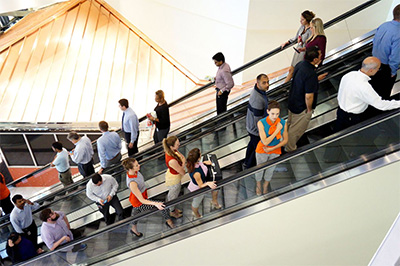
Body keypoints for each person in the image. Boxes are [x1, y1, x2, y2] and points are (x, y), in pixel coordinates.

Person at [336, 56, 400, 132]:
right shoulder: (364, 87)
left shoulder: (349, 75)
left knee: (337, 129)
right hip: (352, 117)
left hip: (340, 110)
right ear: (371, 70)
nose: (378, 71)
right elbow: (381, 105)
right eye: (378, 69)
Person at [122, 158, 174, 237]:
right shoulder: (132, 183)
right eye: (136, 165)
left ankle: (133, 228)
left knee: (136, 212)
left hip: (140, 196)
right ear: (130, 169)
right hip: (139, 201)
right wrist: (156, 203)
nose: (139, 165)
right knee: (163, 207)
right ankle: (169, 222)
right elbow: (142, 200)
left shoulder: (133, 172)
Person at [286, 46, 322, 152]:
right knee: (296, 130)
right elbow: (309, 96)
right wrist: (309, 109)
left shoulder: (300, 64)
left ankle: (284, 142)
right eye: (319, 55)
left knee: (289, 124)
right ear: (315, 59)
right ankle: (290, 149)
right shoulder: (310, 74)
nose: (321, 56)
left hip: (293, 100)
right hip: (301, 107)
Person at [254, 101, 288, 195]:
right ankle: (258, 184)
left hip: (275, 149)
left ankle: (265, 185)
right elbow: (265, 141)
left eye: (277, 114)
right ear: (268, 111)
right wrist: (277, 130)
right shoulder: (261, 123)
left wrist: (271, 149)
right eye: (272, 113)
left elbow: (285, 140)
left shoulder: (282, 122)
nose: (275, 116)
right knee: (260, 168)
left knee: (271, 169)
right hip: (263, 149)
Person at [370, 4, 400, 100]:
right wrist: (393, 72)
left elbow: (374, 41)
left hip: (373, 63)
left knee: (374, 92)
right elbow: (395, 56)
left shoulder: (384, 25)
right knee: (383, 96)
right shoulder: (398, 33)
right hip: (385, 69)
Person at [243, 74, 270, 169]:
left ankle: (246, 163)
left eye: (267, 82)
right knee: (257, 149)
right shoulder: (258, 99)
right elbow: (258, 120)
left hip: (251, 128)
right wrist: (262, 134)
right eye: (264, 83)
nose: (267, 85)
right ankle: (249, 167)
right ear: (257, 84)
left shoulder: (259, 92)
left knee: (252, 145)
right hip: (255, 130)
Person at [282, 10, 316, 83]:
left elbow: (311, 43)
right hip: (298, 51)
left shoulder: (311, 30)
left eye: (302, 19)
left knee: (295, 71)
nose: (300, 21)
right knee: (291, 70)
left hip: (304, 52)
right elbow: (296, 37)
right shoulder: (302, 27)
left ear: (307, 19)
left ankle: (285, 86)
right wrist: (287, 42)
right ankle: (284, 86)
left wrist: (303, 43)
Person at [186, 148, 218, 219]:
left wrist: (204, 163)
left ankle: (214, 201)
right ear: (198, 158)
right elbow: (200, 185)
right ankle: (196, 214)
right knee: (196, 202)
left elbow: (199, 164)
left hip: (200, 182)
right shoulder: (196, 173)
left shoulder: (195, 163)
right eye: (200, 154)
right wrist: (208, 183)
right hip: (198, 189)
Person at [162, 136, 185, 218]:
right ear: (172, 146)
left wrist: (183, 162)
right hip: (174, 181)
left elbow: (182, 158)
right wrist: (183, 163)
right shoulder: (172, 160)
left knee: (173, 195)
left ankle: (172, 209)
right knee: (173, 196)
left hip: (173, 175)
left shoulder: (172, 150)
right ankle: (171, 212)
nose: (179, 145)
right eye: (177, 145)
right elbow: (182, 171)